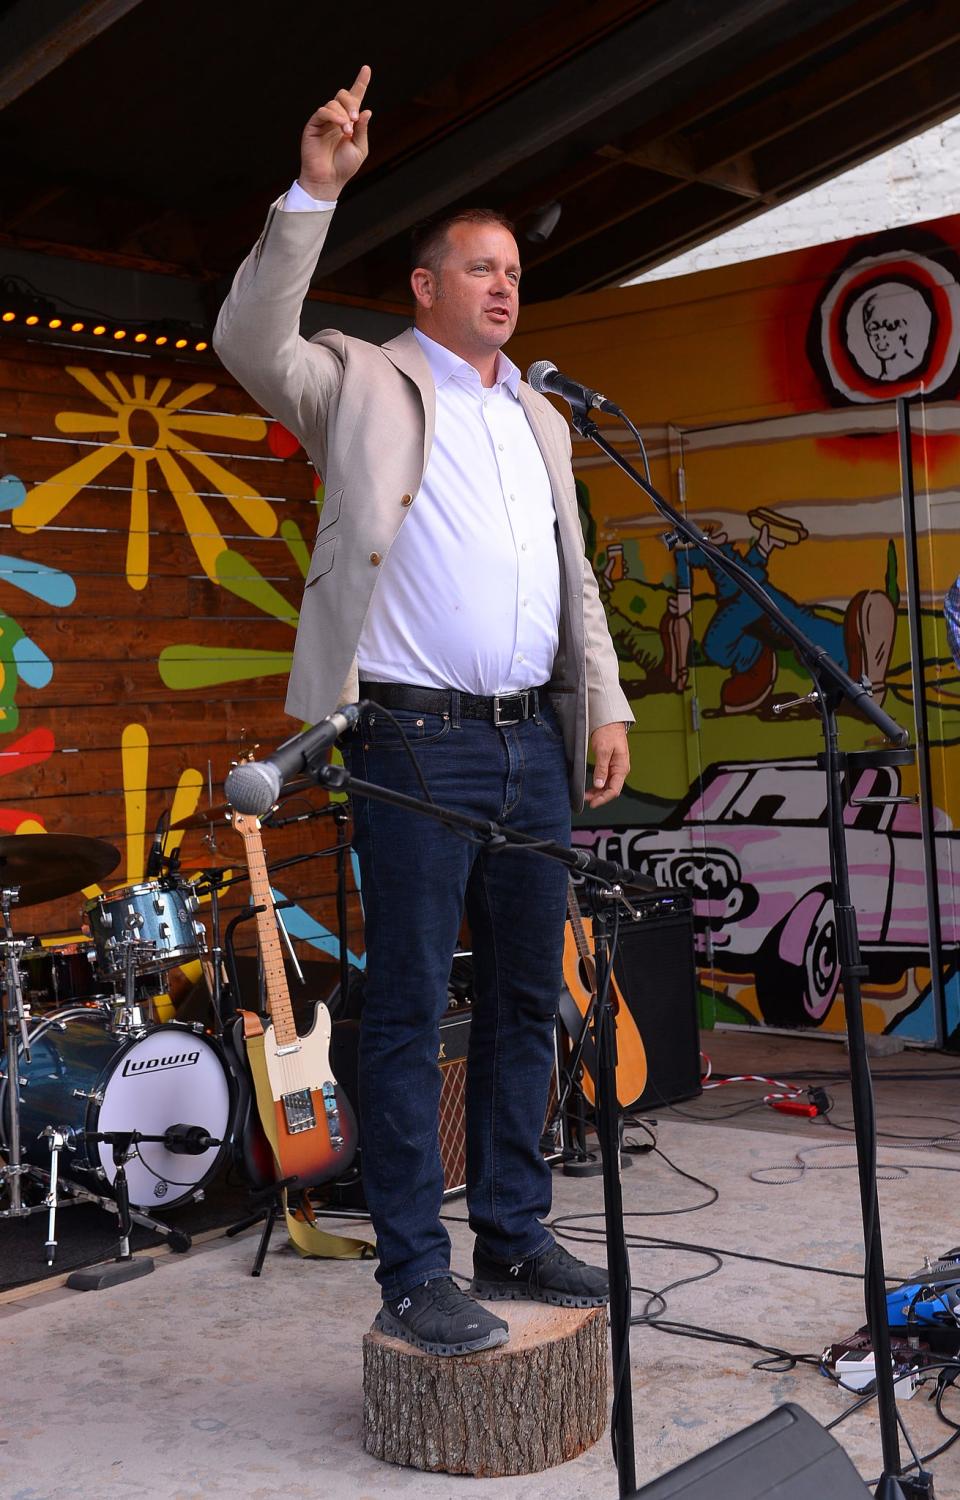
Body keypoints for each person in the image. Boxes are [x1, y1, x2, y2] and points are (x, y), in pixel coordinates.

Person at [214, 66, 633, 1358]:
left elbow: (575, 582)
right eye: (480, 266)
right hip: (409, 740)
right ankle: (413, 1268)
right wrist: (314, 191)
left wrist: (604, 701)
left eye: (514, 268)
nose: (505, 284)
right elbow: (246, 341)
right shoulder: (363, 382)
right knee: (401, 1011)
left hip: (529, 744)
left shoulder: (546, 421)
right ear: (425, 286)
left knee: (523, 1001)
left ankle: (513, 1224)